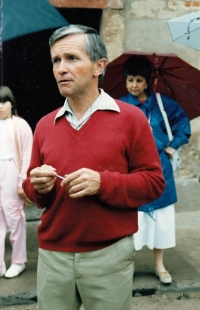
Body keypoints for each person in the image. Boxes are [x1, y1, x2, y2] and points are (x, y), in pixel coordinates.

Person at [22, 25, 165, 310]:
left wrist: (103, 182)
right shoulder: (45, 125)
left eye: (72, 58)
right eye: (56, 61)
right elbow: (34, 193)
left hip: (109, 254)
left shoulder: (131, 119)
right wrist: (35, 185)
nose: (61, 68)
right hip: (53, 255)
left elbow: (153, 183)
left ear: (99, 66)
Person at [119, 55, 191, 284]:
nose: (134, 85)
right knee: (132, 220)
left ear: (147, 81)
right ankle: (126, 266)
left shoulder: (162, 103)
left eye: (139, 80)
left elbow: (182, 124)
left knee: (160, 219)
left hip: (160, 169)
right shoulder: (119, 106)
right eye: (130, 80)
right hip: (132, 170)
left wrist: (173, 145)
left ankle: (160, 265)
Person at [0, 86, 33, 279]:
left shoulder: (19, 125)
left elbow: (28, 155)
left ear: (11, 104)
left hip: (11, 172)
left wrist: (22, 181)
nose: (0, 106)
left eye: (4, 102)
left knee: (15, 217)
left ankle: (18, 261)